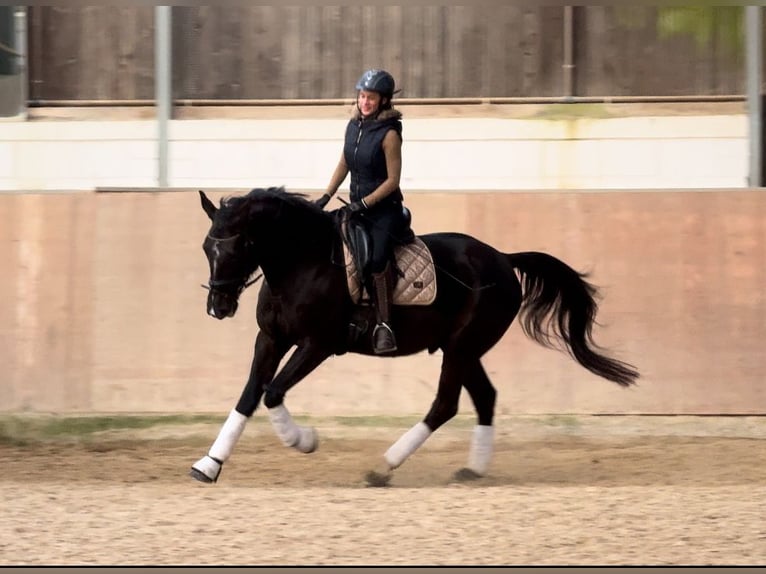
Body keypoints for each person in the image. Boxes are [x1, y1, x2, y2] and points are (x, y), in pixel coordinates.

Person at [315, 68, 407, 355]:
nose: (365, 102)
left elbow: (393, 181)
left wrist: (365, 203)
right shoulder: (353, 127)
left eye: (371, 98)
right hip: (355, 208)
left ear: (383, 101)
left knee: (376, 259)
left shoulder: (389, 134)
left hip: (383, 211)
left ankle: (385, 324)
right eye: (362, 96)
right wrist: (326, 195)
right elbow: (344, 162)